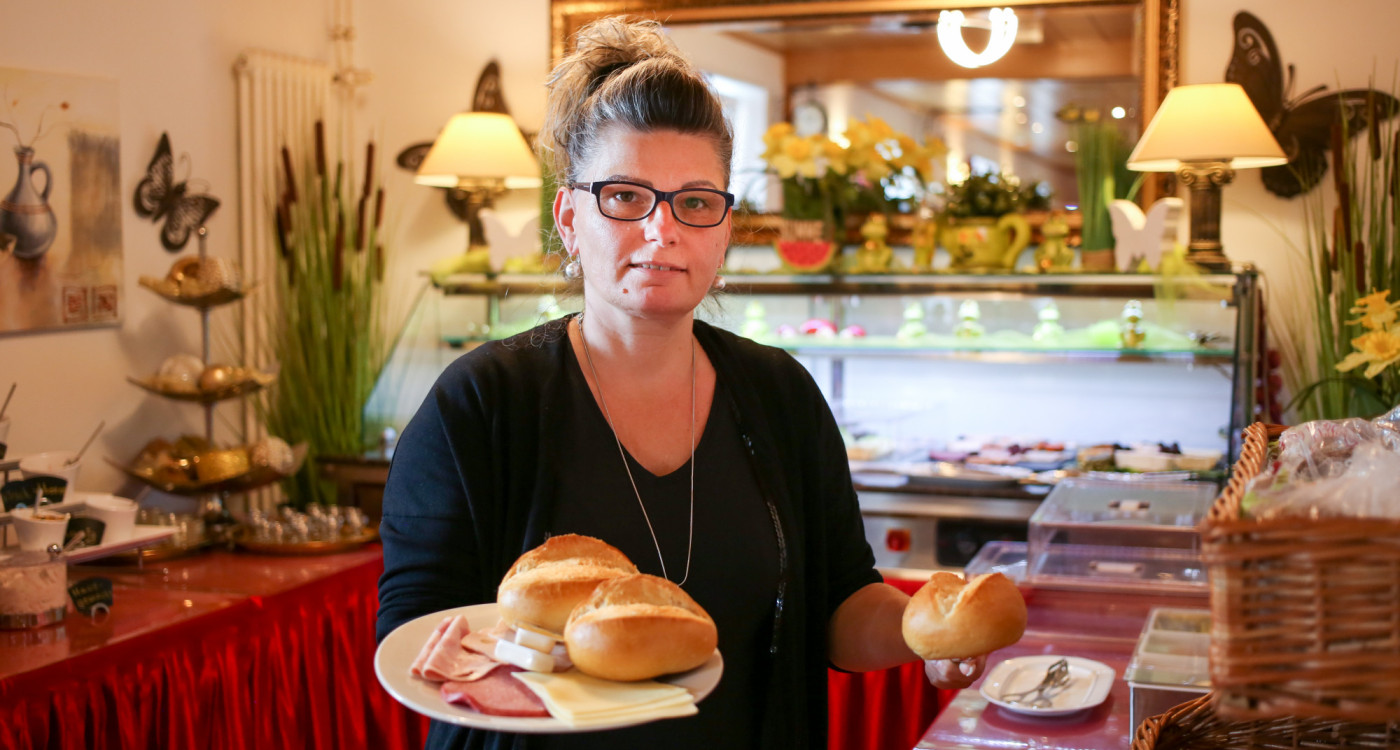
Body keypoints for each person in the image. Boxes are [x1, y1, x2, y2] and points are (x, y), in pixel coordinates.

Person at [376, 17, 987, 750]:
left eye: (695, 202)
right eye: (627, 197)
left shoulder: (780, 394)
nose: (663, 231)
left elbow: (841, 604)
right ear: (569, 219)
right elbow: (419, 636)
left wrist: (929, 637)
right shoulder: (482, 402)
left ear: (724, 231)